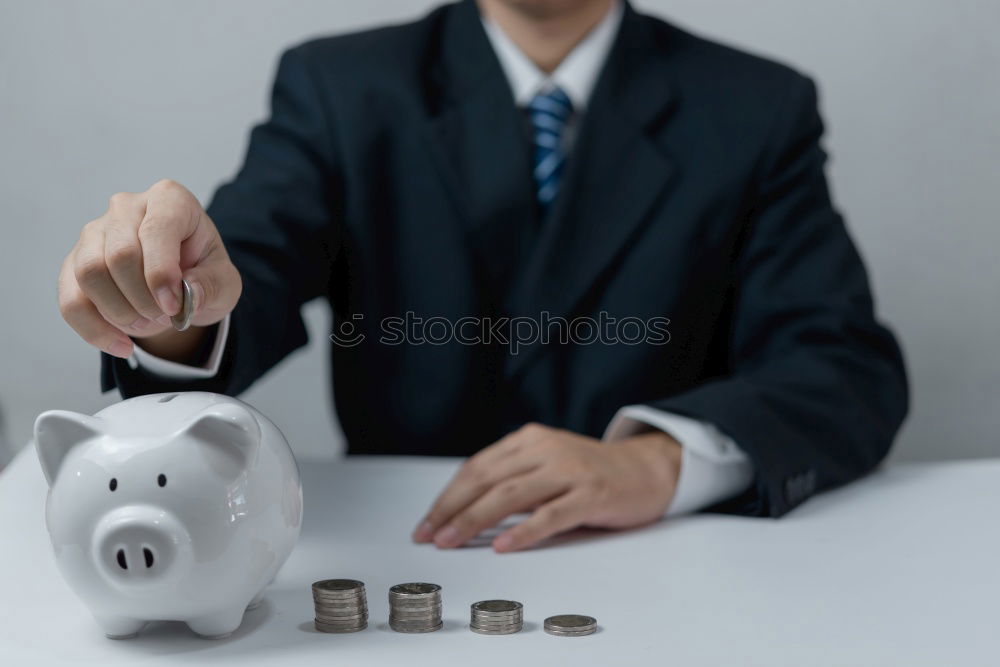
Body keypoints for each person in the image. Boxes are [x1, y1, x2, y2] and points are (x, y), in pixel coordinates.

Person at [57, 0, 908, 552]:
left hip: (675, 559)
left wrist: (660, 460)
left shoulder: (756, 106)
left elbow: (842, 364)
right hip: (410, 553)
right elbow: (249, 271)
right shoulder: (341, 86)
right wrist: (168, 294)